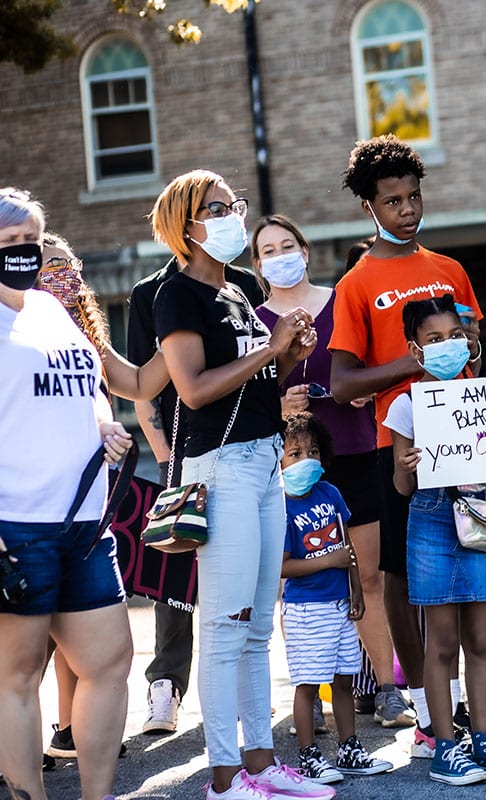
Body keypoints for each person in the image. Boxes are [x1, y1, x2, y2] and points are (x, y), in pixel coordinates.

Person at [148, 169, 332, 800]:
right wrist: (266, 349)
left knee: (257, 627)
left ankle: (260, 763)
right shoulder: (177, 294)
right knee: (226, 626)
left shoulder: (241, 288)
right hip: (218, 466)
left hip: (264, 460)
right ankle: (224, 777)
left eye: (235, 205)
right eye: (217, 208)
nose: (232, 216)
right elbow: (194, 389)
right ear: (186, 225)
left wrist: (288, 352)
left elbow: (260, 382)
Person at [330, 135, 486, 759]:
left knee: (471, 558)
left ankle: (470, 715)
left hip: (466, 436)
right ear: (369, 207)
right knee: (398, 577)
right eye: (392, 200)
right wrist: (412, 363)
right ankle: (427, 709)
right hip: (395, 441)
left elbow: (473, 346)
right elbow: (343, 383)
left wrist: (459, 352)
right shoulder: (356, 283)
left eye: (414, 196)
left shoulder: (449, 271)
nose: (407, 209)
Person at [250, 215, 411, 729]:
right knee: (303, 584)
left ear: (305, 248)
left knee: (368, 575)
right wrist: (277, 403)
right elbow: (241, 399)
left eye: (287, 245)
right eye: (268, 250)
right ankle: (310, 696)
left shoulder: (343, 299)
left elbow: (372, 363)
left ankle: (387, 689)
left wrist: (362, 388)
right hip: (295, 470)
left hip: (359, 451)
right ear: (256, 265)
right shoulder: (254, 320)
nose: (280, 256)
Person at [0, 187, 135, 800]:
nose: (23, 253)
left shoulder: (50, 312)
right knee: (18, 676)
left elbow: (88, 385)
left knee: (108, 662)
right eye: (10, 243)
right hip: (16, 524)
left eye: (31, 240)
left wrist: (103, 420)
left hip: (84, 521)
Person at [383, 295, 486, 785]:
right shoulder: (406, 404)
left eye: (454, 336)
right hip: (429, 522)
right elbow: (401, 487)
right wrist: (408, 467)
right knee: (442, 640)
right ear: (416, 349)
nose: (447, 346)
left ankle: (485, 738)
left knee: (478, 637)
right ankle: (445, 746)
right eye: (434, 340)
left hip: (477, 519)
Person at [36, 232, 168, 763]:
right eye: (49, 267)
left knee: (85, 638)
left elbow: (137, 383)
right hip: (31, 512)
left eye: (70, 265)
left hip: (88, 513)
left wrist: (177, 339)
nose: (63, 276)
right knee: (27, 648)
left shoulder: (88, 338)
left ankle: (71, 730)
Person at [127, 238, 264, 736]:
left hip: (250, 447)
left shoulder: (244, 285)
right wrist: (167, 458)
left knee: (242, 583)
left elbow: (258, 364)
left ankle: (239, 696)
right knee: (175, 570)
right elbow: (146, 387)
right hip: (187, 454)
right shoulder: (153, 293)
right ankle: (166, 684)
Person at [279, 412, 392, 784]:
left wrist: (356, 590)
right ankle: (310, 756)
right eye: (294, 453)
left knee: (345, 678)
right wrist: (329, 560)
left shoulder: (331, 493)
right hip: (306, 609)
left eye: (312, 451)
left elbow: (349, 549)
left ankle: (349, 748)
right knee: (309, 684)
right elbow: (284, 567)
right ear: (278, 459)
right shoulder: (280, 507)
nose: (305, 459)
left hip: (342, 605)